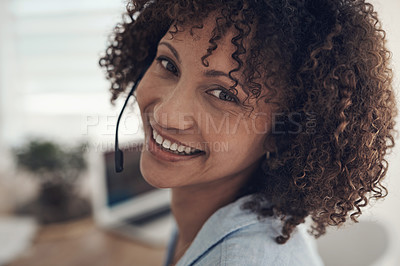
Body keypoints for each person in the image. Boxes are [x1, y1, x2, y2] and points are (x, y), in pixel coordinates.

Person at [100, 0, 397, 265]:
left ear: (282, 132)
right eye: (168, 64)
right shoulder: (200, 220)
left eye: (224, 94)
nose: (166, 114)